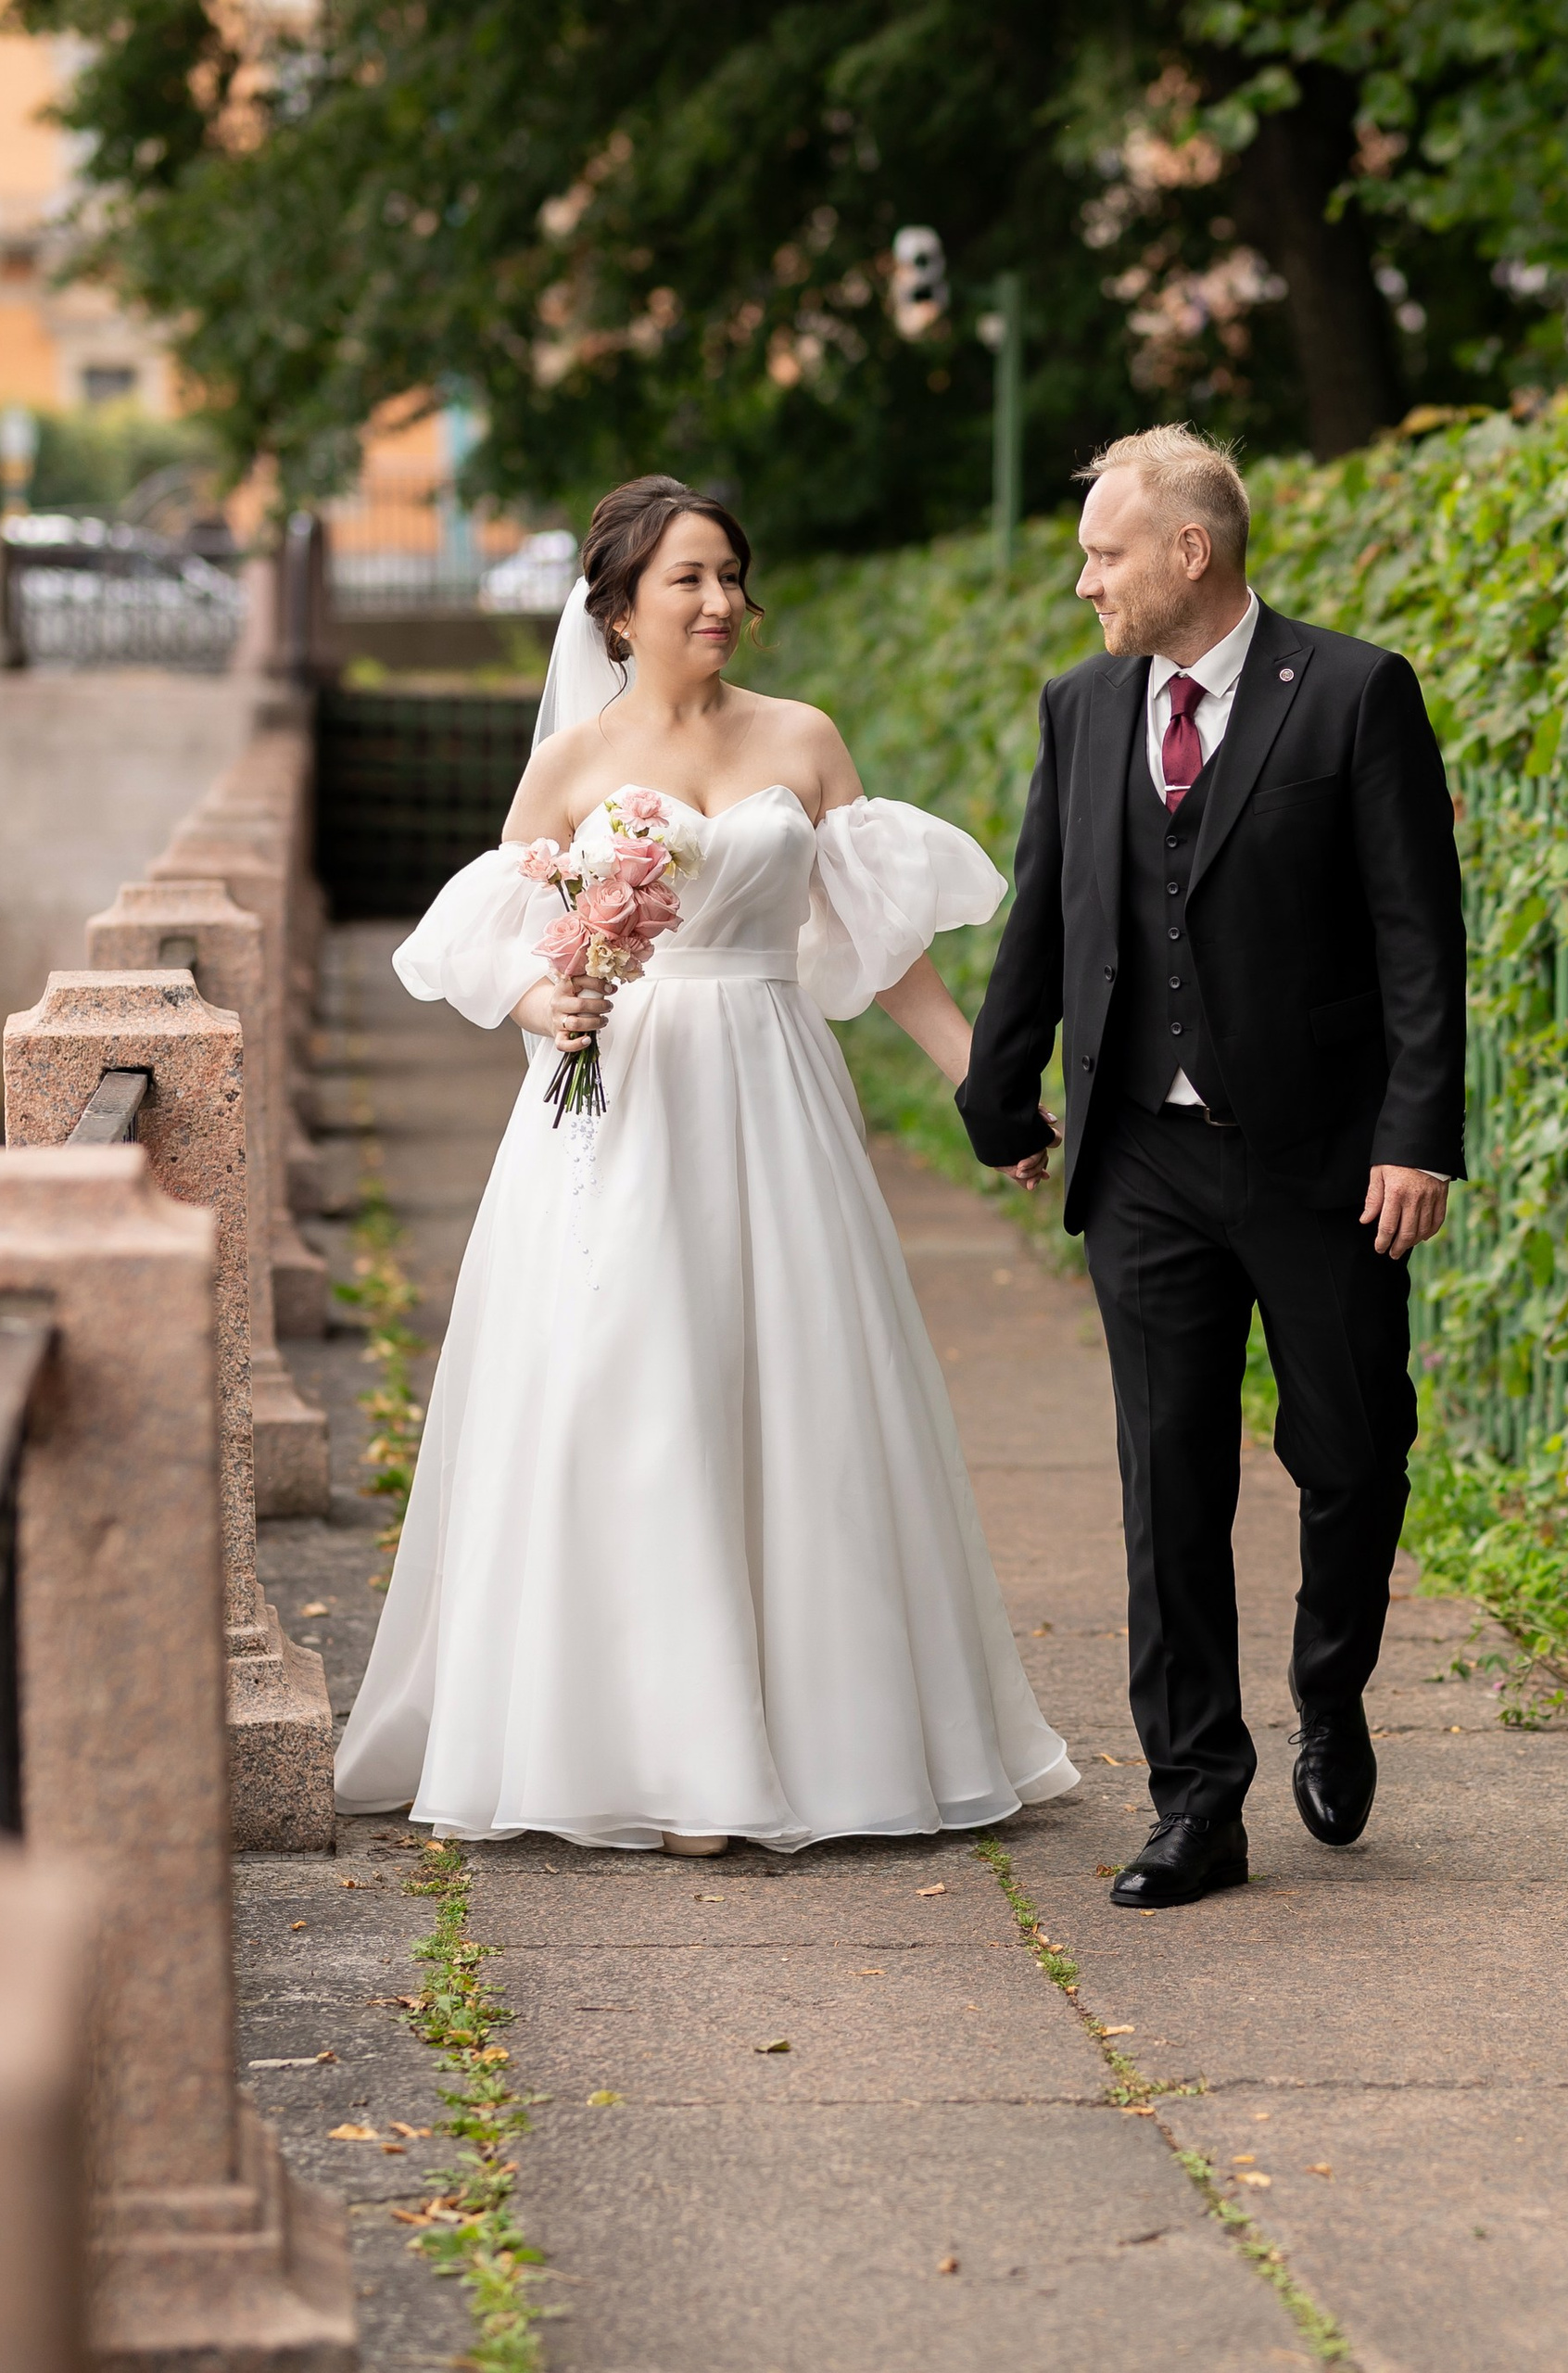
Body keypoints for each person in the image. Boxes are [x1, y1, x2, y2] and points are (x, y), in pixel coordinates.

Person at [334, 475, 1078, 1855]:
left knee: (794, 1388)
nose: (722, 601)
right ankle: (661, 1753)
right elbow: (499, 939)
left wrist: (987, 1089)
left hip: (772, 1087)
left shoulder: (803, 738)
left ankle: (812, 1733)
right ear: (619, 610)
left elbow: (884, 948)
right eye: (689, 579)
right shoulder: (571, 765)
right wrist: (545, 1005)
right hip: (617, 1106)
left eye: (731, 574)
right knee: (629, 1393)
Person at [957, 425, 1465, 1910]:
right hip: (1142, 1160)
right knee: (1166, 1481)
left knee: (1351, 1453)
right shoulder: (1082, 707)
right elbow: (1048, 909)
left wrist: (1416, 1134)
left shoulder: (1355, 693)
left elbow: (1417, 937)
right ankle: (1196, 1803)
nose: (1084, 583)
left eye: (1104, 554)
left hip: (1321, 1162)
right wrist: (1001, 1092)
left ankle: (1331, 1689)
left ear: (1191, 552)